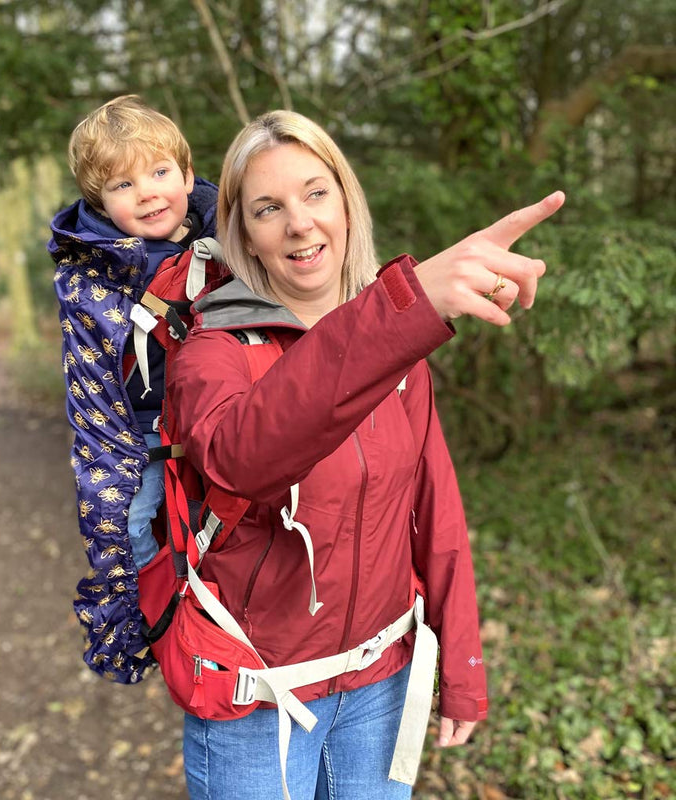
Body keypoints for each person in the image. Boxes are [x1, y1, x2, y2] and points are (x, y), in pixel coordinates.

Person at [166, 110, 565, 799]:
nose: (299, 223)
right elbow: (242, 458)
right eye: (269, 209)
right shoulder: (212, 352)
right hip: (256, 700)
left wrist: (463, 666)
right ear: (244, 236)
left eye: (316, 193)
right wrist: (404, 313)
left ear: (347, 201)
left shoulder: (397, 355)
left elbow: (433, 510)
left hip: (380, 683)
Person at [50, 94, 217, 576]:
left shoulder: (228, 240)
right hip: (141, 427)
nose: (147, 192)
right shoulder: (94, 273)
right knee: (125, 523)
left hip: (219, 407)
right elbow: (92, 370)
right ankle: (158, 610)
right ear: (100, 202)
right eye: (124, 183)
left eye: (160, 173)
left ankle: (223, 608)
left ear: (187, 176)